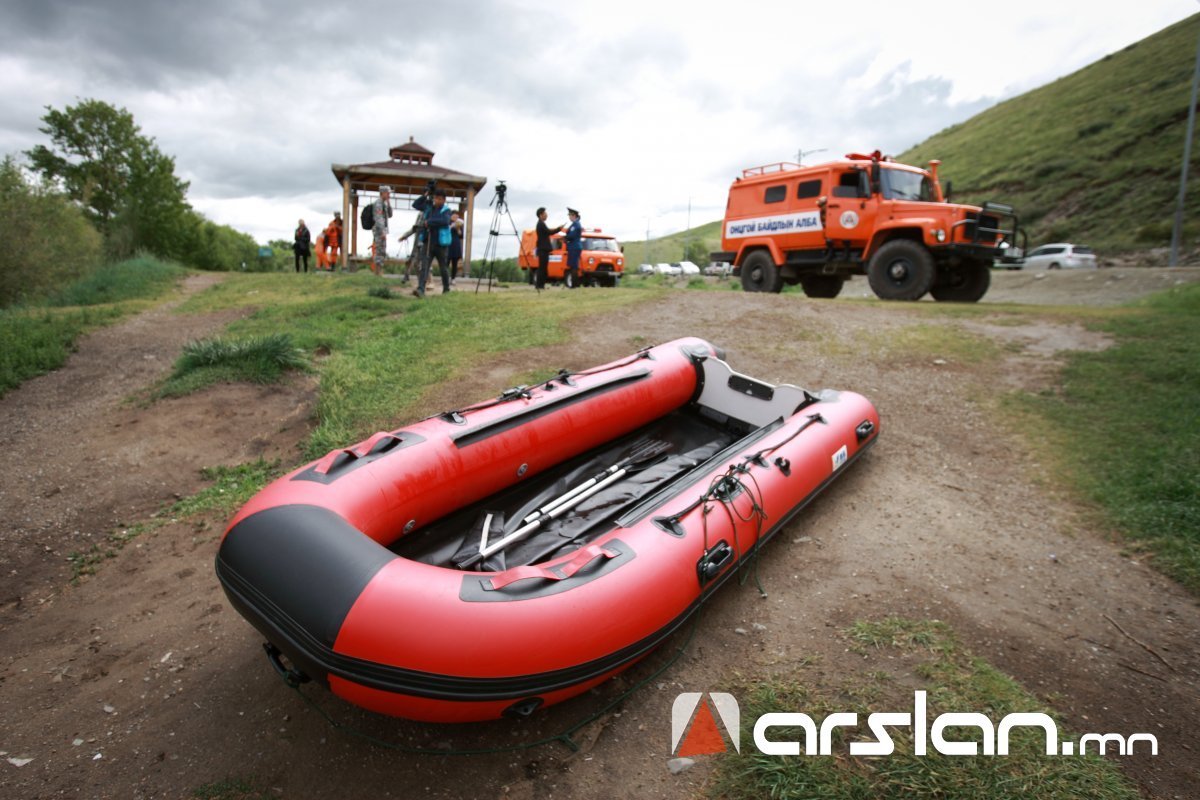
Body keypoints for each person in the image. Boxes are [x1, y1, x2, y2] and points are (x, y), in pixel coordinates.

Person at [413, 188, 453, 297]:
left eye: (439, 199)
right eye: (435, 198)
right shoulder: (429, 207)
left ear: (444, 200)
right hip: (428, 241)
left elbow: (445, 221)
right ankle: (421, 289)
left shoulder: (446, 210)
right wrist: (425, 195)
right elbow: (415, 205)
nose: (437, 201)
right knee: (424, 266)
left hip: (441, 244)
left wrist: (429, 222)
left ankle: (446, 289)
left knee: (443, 267)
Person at [534, 207, 563, 290]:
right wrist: (558, 229)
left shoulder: (541, 223)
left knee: (543, 268)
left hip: (543, 249)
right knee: (542, 268)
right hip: (543, 249)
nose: (546, 215)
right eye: (545, 214)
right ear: (540, 215)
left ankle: (541, 285)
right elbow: (549, 232)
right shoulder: (540, 224)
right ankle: (539, 285)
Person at [371, 187, 393, 276]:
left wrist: (389, 203)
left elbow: (390, 215)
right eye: (388, 193)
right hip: (378, 230)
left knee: (382, 249)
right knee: (379, 249)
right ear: (382, 193)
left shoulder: (384, 203)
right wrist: (382, 231)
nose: (389, 195)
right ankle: (377, 271)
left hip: (383, 230)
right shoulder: (378, 203)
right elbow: (378, 218)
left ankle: (379, 270)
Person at [563, 207, 583, 289]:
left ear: (574, 215)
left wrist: (565, 237)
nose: (569, 217)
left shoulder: (576, 225)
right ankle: (574, 284)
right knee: (572, 266)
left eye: (570, 215)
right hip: (572, 247)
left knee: (574, 266)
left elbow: (572, 235)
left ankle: (574, 285)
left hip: (574, 247)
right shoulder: (574, 224)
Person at [448, 211, 465, 283]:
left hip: (455, 244)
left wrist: (458, 228)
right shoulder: (447, 222)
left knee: (455, 262)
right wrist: (451, 226)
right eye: (454, 216)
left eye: (456, 216)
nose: (455, 217)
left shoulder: (459, 224)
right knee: (446, 262)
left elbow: (461, 235)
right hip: (448, 243)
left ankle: (453, 278)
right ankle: (445, 278)